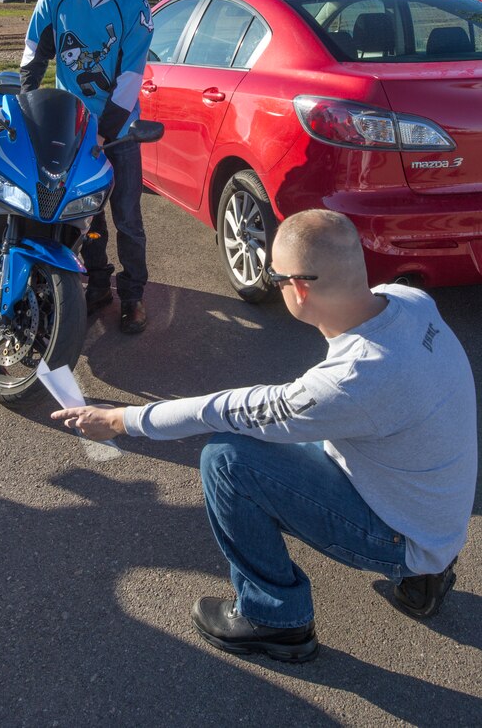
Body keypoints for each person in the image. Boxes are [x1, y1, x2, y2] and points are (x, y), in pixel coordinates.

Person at [51, 210, 477, 663]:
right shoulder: (407, 301)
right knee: (287, 437)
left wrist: (122, 419)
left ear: (299, 288)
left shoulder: (355, 377)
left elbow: (227, 409)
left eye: (274, 275)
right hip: (437, 519)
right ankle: (426, 577)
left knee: (228, 460)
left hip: (407, 537)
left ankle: (275, 620)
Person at [20, 0, 154, 334]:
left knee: (126, 216)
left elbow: (130, 80)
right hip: (70, 125)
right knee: (85, 216)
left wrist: (104, 131)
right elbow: (34, 54)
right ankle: (97, 285)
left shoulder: (136, 8)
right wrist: (26, 109)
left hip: (117, 132)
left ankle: (133, 296)